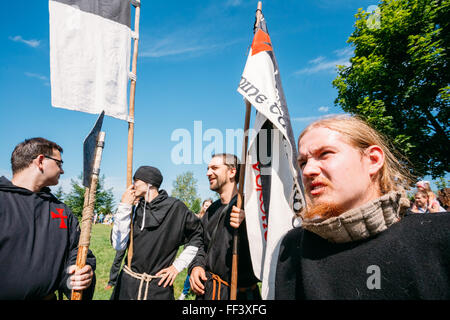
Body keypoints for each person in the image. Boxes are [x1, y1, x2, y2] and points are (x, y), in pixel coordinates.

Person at [275, 115, 450, 299]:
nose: (308, 171)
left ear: (373, 160)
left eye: (325, 154)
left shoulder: (441, 233)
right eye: (302, 162)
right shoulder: (293, 247)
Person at [0, 137, 96, 300]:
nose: (62, 170)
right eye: (59, 163)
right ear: (41, 161)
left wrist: (76, 277)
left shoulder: (61, 211)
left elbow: (75, 252)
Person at [111, 166, 203, 300]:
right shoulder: (134, 207)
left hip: (158, 287)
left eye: (136, 180)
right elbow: (118, 245)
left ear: (149, 183)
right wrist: (124, 207)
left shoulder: (175, 208)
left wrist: (177, 266)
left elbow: (198, 235)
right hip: (128, 285)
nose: (133, 185)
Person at [189, 154, 261, 300]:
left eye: (214, 168)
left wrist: (249, 225)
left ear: (232, 172)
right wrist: (196, 266)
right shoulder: (211, 210)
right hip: (207, 292)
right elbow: (200, 243)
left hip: (239, 296)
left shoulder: (252, 208)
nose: (208, 173)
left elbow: (266, 249)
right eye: (208, 168)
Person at [178, 198, 213, 300]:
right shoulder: (197, 217)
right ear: (203, 206)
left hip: (205, 249)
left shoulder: (212, 218)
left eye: (209, 205)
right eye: (205, 205)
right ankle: (184, 292)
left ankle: (201, 291)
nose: (207, 207)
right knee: (191, 273)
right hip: (195, 248)